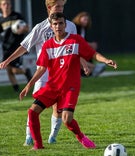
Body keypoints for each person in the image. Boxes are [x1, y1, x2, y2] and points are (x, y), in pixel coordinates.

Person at [19, 12, 117, 150]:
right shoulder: (47, 46)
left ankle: (81, 137)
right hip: (52, 87)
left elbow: (92, 54)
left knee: (66, 119)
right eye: (55, 24)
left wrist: (106, 60)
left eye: (60, 23)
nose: (58, 26)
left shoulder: (75, 40)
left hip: (70, 87)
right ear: (51, 27)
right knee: (32, 112)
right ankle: (38, 145)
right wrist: (28, 86)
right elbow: (41, 69)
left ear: (65, 25)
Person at [0, 0, 89, 146]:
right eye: (58, 6)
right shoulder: (40, 28)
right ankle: (29, 137)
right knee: (35, 107)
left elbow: (74, 47)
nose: (61, 8)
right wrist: (8, 60)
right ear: (49, 8)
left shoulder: (70, 26)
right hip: (43, 73)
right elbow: (24, 46)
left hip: (62, 74)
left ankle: (52, 136)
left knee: (58, 108)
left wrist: (83, 63)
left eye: (62, 6)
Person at [0, 0, 31, 92]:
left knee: (14, 70)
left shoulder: (17, 16)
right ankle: (16, 89)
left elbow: (27, 28)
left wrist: (23, 30)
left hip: (17, 47)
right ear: (1, 6)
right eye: (4, 4)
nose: (6, 6)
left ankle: (26, 71)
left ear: (10, 5)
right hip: (6, 48)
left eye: (8, 4)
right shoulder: (1, 20)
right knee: (8, 69)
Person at [72, 11, 106, 77]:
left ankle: (92, 70)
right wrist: (90, 44)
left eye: (87, 20)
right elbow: (76, 40)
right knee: (77, 57)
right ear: (79, 18)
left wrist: (90, 45)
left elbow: (83, 41)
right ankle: (95, 67)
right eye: (84, 19)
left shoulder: (83, 29)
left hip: (80, 49)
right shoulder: (75, 27)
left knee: (88, 52)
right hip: (74, 48)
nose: (86, 21)